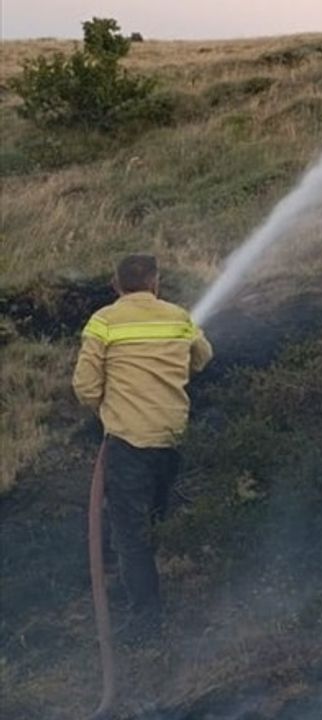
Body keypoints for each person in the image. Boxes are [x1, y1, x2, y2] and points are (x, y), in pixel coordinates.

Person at [73, 254, 213, 639]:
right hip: (172, 438)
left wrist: (109, 402)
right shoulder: (179, 317)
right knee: (155, 518)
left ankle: (146, 622)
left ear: (116, 286)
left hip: (128, 442)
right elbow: (203, 357)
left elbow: (85, 387)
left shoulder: (103, 321)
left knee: (131, 535)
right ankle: (169, 578)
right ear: (155, 283)